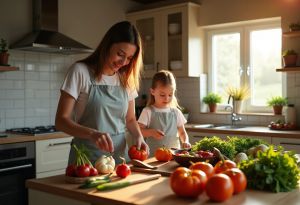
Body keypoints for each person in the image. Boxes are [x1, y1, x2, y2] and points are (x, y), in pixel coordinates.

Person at [55, 21, 149, 164]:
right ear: (107, 46)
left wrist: (139, 136)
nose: (123, 62)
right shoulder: (80, 71)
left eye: (129, 58)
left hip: (119, 160)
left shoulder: (126, 78)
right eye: (120, 54)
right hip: (85, 160)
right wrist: (92, 134)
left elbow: (130, 119)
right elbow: (61, 121)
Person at [138, 70, 191, 157]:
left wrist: (186, 141)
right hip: (153, 157)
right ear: (152, 92)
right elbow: (139, 131)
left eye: (170, 95)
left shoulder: (176, 112)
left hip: (174, 156)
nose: (166, 98)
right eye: (162, 95)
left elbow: (182, 132)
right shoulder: (148, 111)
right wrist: (151, 132)